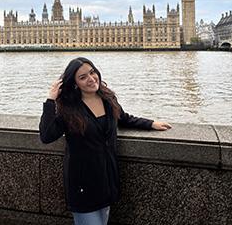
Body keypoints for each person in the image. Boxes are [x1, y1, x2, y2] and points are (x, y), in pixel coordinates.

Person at [39, 57, 172, 225]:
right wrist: (51, 100)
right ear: (74, 83)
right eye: (83, 77)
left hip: (107, 180)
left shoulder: (108, 99)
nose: (91, 78)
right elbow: (47, 135)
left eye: (92, 72)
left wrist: (151, 124)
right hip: (83, 185)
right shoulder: (69, 109)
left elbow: (123, 118)